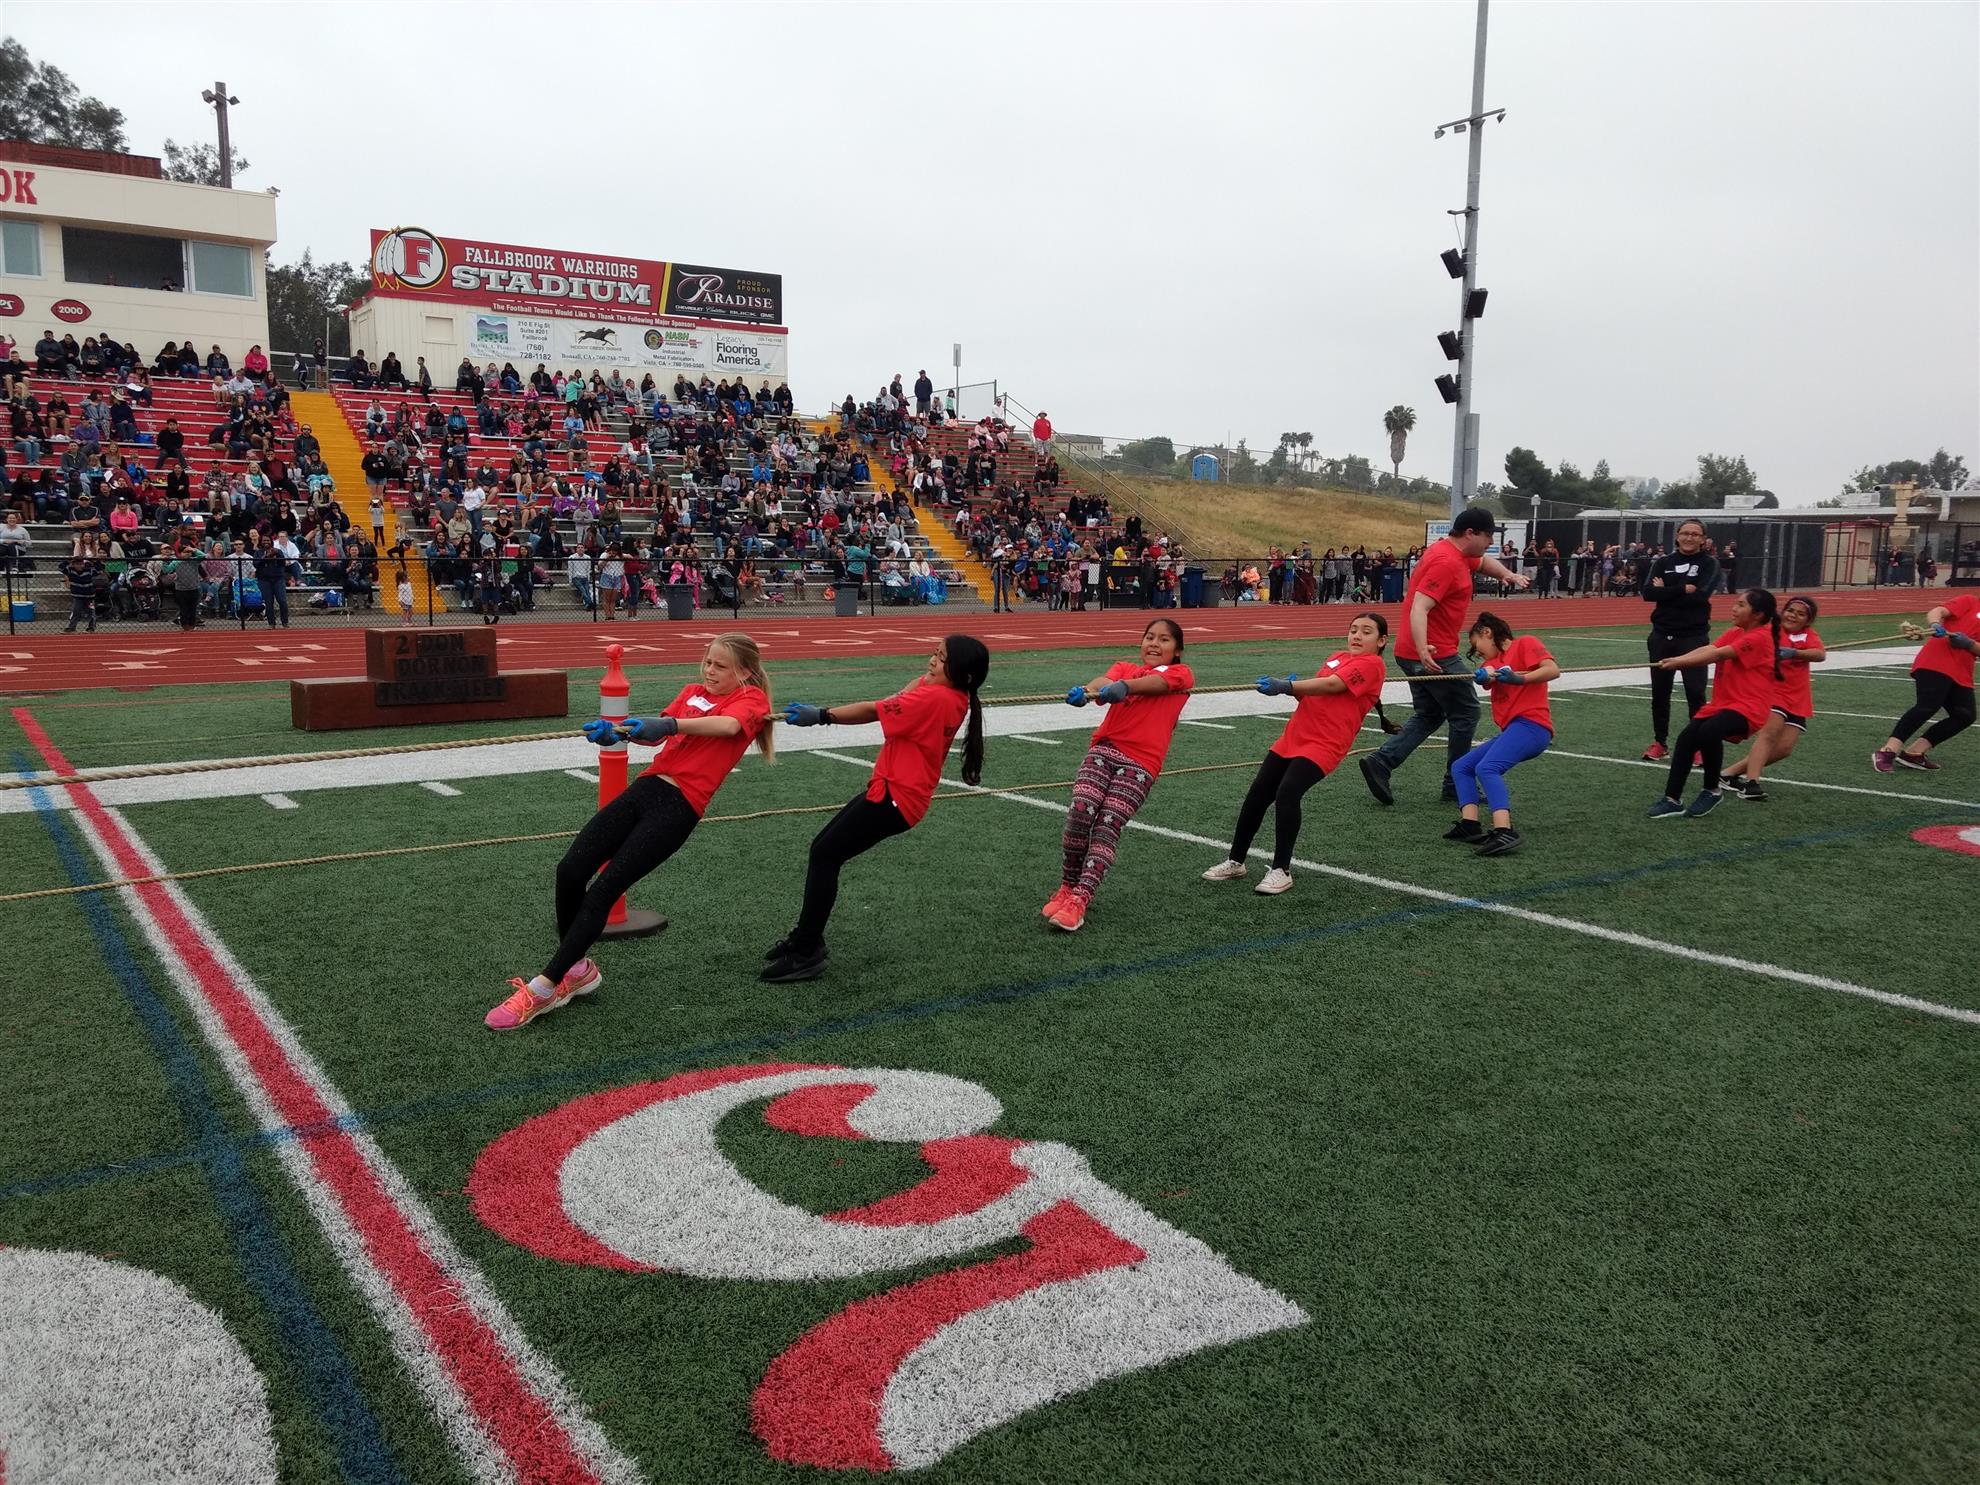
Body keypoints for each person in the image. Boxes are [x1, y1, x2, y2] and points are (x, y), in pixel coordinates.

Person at [485, 634, 775, 1031]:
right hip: (647, 788)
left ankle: (544, 987)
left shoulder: (752, 700)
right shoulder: (692, 691)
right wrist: (618, 732)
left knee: (604, 890)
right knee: (570, 870)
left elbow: (726, 726)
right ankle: (577, 969)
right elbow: (654, 734)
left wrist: (670, 723)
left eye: (720, 666)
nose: (709, 671)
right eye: (708, 662)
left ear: (744, 672)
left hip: (680, 806)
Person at [763, 635, 990, 982]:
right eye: (934, 653)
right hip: (892, 792)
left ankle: (806, 951)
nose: (932, 661)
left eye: (942, 659)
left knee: (825, 855)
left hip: (896, 798)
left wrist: (822, 715)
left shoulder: (936, 698)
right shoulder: (949, 694)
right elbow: (905, 692)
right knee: (822, 850)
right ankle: (806, 937)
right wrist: (930, 676)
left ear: (962, 674)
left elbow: (875, 709)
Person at [1204, 612, 1391, 894]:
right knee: (1258, 794)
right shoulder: (1337, 656)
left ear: (1382, 640)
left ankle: (1282, 870)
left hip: (1325, 743)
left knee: (1288, 792)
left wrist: (1286, 686)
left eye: (1366, 632)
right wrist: (1296, 692)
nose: (1356, 636)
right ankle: (1236, 861)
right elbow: (1321, 690)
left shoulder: (1373, 664)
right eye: (1353, 629)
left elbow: (1334, 685)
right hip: (1295, 735)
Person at [1360, 507, 1527, 806]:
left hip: (1415, 652)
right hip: (1433, 654)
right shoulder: (1446, 561)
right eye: (1489, 535)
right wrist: (1423, 648)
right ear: (1470, 534)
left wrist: (1507, 574)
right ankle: (1457, 783)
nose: (1492, 542)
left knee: (1430, 713)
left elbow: (1482, 562)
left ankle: (1382, 761)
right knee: (1467, 712)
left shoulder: (1456, 553)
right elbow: (1420, 606)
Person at [1047, 620, 1195, 931]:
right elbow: (1105, 680)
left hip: (1141, 763)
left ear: (1177, 650)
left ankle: (1080, 900)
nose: (1154, 644)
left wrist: (1125, 687)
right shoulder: (1125, 667)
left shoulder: (1182, 673)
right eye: (1149, 637)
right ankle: (1067, 887)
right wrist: (1087, 691)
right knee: (1080, 813)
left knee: (1107, 825)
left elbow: (1157, 683)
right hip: (1103, 749)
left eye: (1164, 640)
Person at [1647, 589, 1784, 819]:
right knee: (1687, 739)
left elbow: (1719, 655)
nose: (1734, 608)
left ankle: (1712, 790)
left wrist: (1679, 663)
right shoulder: (1736, 632)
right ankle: (1672, 799)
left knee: (1710, 731)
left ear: (1758, 614)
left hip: (1749, 707)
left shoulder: (1760, 637)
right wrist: (1678, 659)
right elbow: (1710, 648)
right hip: (1723, 703)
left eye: (1741, 605)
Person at [1447, 612, 1560, 856]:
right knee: (1461, 767)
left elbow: (1552, 670)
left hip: (1533, 726)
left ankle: (1504, 830)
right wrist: (1483, 676)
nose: (1478, 653)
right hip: (1515, 729)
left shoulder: (1525, 643)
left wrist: (1519, 679)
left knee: (1487, 768)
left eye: (1477, 645)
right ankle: (1470, 825)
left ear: (1487, 632)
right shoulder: (1493, 663)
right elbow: (1487, 675)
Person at [1722, 596, 1825, 800]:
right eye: (1790, 610)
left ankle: (1728, 774)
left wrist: (1794, 653)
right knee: (1769, 735)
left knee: (1784, 749)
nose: (1793, 616)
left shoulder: (1808, 635)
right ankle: (1752, 784)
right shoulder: (1770, 631)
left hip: (1798, 697)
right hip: (1772, 692)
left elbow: (1820, 654)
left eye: (1801, 614)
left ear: (1808, 620)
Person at [1639, 519, 1720, 761]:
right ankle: (1660, 742)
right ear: (1677, 536)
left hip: (1693, 637)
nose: (1689, 537)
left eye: (1695, 534)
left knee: (1695, 693)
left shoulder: (1709, 563)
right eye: (1685, 533)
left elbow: (1700, 597)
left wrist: (1665, 591)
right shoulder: (1663, 562)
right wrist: (1682, 589)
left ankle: (1698, 746)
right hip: (1661, 636)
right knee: (1660, 693)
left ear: (1703, 539)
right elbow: (1648, 593)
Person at [1872, 593, 1980, 773]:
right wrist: (1935, 624)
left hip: (1961, 672)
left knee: (1965, 716)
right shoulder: (1970, 601)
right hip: (1935, 662)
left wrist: (1969, 644)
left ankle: (1914, 753)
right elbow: (1938, 611)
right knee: (1927, 706)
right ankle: (1887, 751)